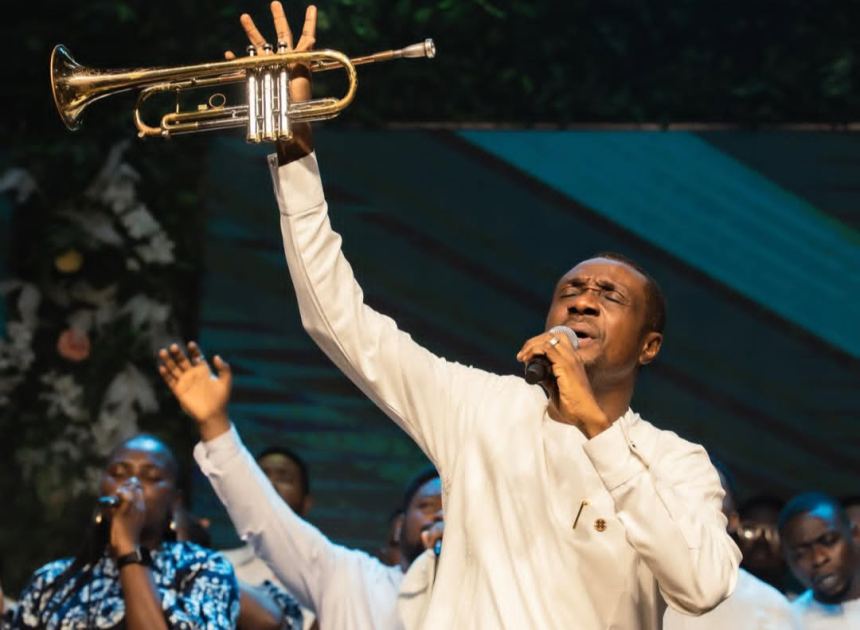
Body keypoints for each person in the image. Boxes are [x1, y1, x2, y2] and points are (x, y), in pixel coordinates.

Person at [230, 2, 742, 627]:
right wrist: (294, 151)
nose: (582, 299)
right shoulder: (479, 408)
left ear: (649, 346)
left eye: (609, 297)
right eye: (571, 289)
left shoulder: (675, 461)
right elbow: (336, 318)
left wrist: (597, 432)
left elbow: (703, 587)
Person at [158, 338, 445, 630]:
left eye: (453, 514)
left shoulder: (489, 596)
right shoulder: (351, 579)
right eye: (427, 505)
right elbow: (268, 519)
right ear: (398, 527)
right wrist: (215, 426)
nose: (440, 516)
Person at [1, 434, 239, 630]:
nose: (131, 484)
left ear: (175, 501)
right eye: (118, 473)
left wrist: (128, 547)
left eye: (151, 477)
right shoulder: (52, 580)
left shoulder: (203, 570)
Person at [664, 458, 797, 629]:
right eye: (688, 495)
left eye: (713, 496)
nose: (699, 506)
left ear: (734, 521)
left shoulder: (770, 604)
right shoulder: (638, 579)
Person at [220, 446, 317, 630]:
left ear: (306, 504)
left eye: (284, 478)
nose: (269, 484)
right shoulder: (221, 566)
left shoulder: (329, 576)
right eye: (260, 477)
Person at [779, 493, 860, 629]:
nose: (818, 559)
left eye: (828, 541)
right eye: (800, 554)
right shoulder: (788, 623)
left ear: (852, 535)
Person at [738, 494, 794, 593]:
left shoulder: (796, 607)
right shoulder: (709, 596)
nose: (761, 541)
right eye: (750, 529)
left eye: (774, 533)